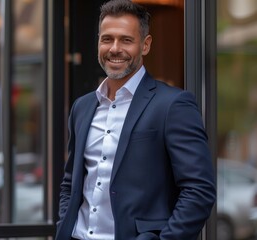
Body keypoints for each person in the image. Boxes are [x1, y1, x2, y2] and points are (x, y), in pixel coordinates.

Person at [55, 0, 216, 239]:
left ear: (145, 45)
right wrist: (63, 227)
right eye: (107, 39)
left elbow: (199, 190)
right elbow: (71, 182)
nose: (115, 48)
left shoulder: (173, 105)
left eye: (126, 40)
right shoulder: (82, 106)